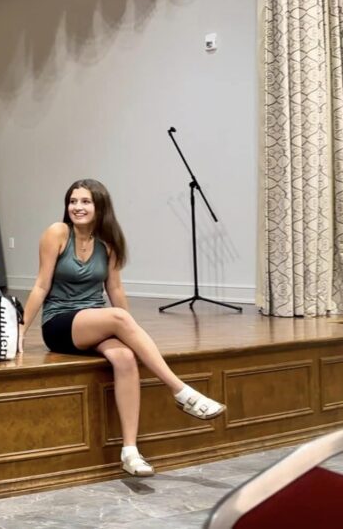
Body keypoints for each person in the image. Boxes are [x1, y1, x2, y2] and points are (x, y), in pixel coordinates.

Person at [20, 179, 227, 477]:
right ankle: (181, 392)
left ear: (100, 206)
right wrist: (21, 330)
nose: (77, 207)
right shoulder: (57, 233)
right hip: (60, 322)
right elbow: (41, 284)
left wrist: (129, 334)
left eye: (85, 201)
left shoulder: (109, 244)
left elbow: (115, 289)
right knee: (119, 318)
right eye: (73, 201)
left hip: (96, 320)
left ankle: (130, 451)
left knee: (125, 357)